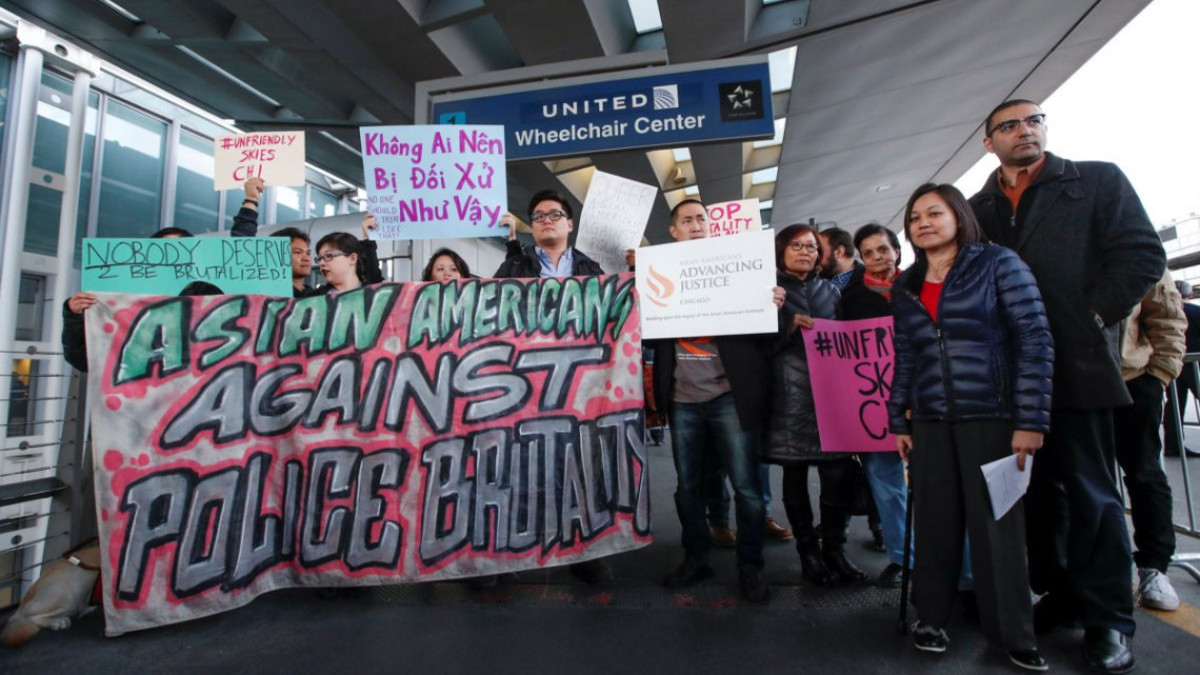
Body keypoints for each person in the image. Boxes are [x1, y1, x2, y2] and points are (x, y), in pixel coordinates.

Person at [969, 99, 1165, 673]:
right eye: (1009, 125)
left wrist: (1093, 317)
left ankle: (1108, 620)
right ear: (989, 144)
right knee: (1034, 498)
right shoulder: (977, 207)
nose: (1024, 130)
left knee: (1094, 496)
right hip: (1008, 378)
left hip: (1077, 368)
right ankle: (1065, 594)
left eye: (1034, 120)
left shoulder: (1096, 180)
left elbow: (1141, 254)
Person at [889, 183, 1053, 671]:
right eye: (915, 216)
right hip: (933, 421)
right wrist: (898, 417)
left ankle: (1012, 636)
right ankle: (931, 618)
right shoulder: (907, 285)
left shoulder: (998, 263)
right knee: (935, 523)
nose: (923, 222)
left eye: (934, 213)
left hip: (993, 417)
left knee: (997, 527)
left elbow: (1034, 339)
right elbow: (905, 358)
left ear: (959, 215)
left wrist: (1030, 420)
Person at [649, 199, 783, 603]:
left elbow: (767, 339)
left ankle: (751, 567)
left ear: (712, 228)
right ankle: (697, 557)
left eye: (701, 219)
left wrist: (774, 304)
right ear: (673, 231)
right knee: (687, 488)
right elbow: (648, 336)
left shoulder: (741, 271)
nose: (695, 224)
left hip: (729, 396)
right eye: (686, 220)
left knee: (747, 489)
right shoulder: (660, 273)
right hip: (682, 399)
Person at [490, 189, 610, 587]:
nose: (546, 220)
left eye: (554, 214)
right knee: (525, 465)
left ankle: (581, 548)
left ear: (569, 223)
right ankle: (525, 544)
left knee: (580, 467)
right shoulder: (514, 268)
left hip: (579, 383)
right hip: (527, 383)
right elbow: (488, 314)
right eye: (538, 215)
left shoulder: (593, 269)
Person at [762, 223, 865, 586]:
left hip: (830, 396)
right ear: (781, 250)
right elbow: (756, 347)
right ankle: (808, 553)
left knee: (837, 475)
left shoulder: (830, 292)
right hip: (787, 396)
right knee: (794, 474)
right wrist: (785, 324)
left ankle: (834, 549)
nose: (805, 251)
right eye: (796, 245)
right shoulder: (767, 290)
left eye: (810, 246)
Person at [839, 222, 913, 588]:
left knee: (936, 484)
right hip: (876, 406)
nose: (876, 258)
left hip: (925, 400)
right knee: (886, 485)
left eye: (882, 250)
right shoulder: (849, 298)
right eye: (867, 253)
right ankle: (903, 558)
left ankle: (946, 558)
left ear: (897, 250)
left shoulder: (920, 287)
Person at [1114, 271, 1186, 612]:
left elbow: (1168, 316)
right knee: (1072, 481)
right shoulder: (1058, 240)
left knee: (1144, 475)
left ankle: (1154, 568)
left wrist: (1159, 374)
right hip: (1075, 382)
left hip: (1133, 379)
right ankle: (1075, 574)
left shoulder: (1138, 247)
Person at [62, 227, 196, 372]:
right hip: (136, 390)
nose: (171, 256)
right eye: (163, 249)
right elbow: (83, 360)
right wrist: (74, 316)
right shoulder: (119, 299)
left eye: (178, 249)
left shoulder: (206, 294)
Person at [1165, 280, 1200, 458]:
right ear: (1190, 295)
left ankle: (1173, 445)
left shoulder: (1165, 312)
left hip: (1172, 365)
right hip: (1195, 365)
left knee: (1175, 406)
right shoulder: (1195, 311)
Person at [817, 227, 861, 291]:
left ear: (839, 252)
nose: (815, 256)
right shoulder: (817, 280)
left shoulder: (869, 284)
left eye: (820, 251)